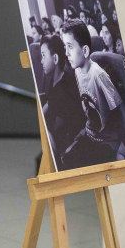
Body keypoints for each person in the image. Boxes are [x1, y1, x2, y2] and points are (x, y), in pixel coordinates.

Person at [59, 19, 125, 168]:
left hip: (107, 142)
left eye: (70, 47)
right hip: (92, 135)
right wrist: (85, 130)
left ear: (85, 51)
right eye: (65, 47)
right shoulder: (77, 71)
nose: (66, 53)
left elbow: (121, 109)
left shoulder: (98, 74)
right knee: (64, 158)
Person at [39, 34, 84, 162]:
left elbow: (58, 132)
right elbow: (49, 103)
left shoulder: (65, 89)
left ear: (55, 58)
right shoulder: (54, 80)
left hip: (69, 143)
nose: (41, 61)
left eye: (43, 55)